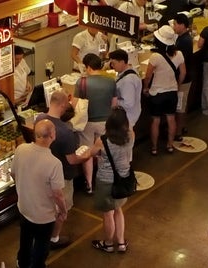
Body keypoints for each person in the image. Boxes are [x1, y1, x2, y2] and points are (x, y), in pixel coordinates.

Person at [35, 90, 91, 249]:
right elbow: (72, 159)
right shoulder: (66, 132)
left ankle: (42, 235)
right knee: (61, 210)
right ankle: (54, 238)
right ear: (61, 106)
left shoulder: (39, 120)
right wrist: (86, 156)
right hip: (62, 176)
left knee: (46, 208)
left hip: (42, 174)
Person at [12, 119, 68, 268]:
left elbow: (13, 174)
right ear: (52, 135)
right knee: (42, 245)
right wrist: (63, 211)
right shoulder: (54, 163)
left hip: (24, 207)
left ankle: (22, 262)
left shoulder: (21, 149)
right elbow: (58, 194)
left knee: (25, 238)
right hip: (43, 215)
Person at [89, 107, 132, 253]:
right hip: (123, 179)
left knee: (108, 214)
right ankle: (121, 243)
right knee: (119, 210)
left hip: (106, 181)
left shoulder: (102, 141)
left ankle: (107, 243)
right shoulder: (130, 135)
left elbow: (91, 153)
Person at [74, 53, 117, 193]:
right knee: (104, 152)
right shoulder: (111, 81)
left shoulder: (82, 82)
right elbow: (114, 103)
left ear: (88, 67)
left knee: (87, 153)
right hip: (105, 121)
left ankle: (89, 185)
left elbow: (76, 103)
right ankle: (104, 180)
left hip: (87, 123)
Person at [143, 25, 186, 155]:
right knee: (171, 119)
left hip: (157, 93)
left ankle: (154, 148)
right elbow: (183, 72)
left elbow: (148, 75)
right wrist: (177, 85)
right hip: (172, 92)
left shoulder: (155, 56)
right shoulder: (179, 54)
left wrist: (146, 88)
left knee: (155, 121)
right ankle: (170, 145)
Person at [108, 49, 142, 134]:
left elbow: (128, 103)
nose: (112, 66)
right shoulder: (129, 72)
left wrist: (114, 102)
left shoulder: (128, 81)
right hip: (128, 115)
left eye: (114, 63)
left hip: (127, 117)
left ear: (122, 62)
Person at [171, 14, 193, 139]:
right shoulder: (184, 38)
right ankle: (182, 126)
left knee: (180, 106)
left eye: (175, 24)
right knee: (182, 104)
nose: (174, 26)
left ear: (182, 25)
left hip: (183, 79)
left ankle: (178, 132)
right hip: (186, 77)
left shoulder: (184, 41)